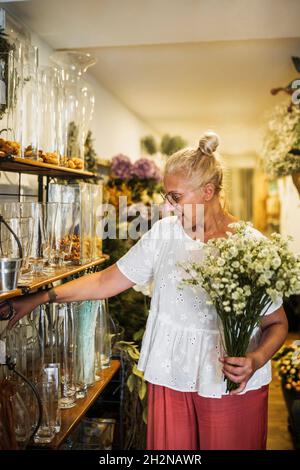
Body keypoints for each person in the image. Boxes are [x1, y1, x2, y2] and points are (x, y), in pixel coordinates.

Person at [0, 132, 288, 450]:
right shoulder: (163, 235)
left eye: (175, 197)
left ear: (208, 191)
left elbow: (277, 324)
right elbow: (104, 281)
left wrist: (256, 359)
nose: (167, 205)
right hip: (171, 376)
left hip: (229, 384)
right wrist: (39, 298)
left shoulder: (249, 245)